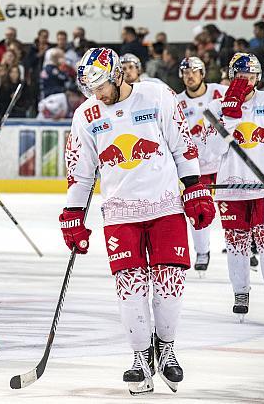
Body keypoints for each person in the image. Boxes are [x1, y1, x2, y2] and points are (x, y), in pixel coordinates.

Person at [61, 48, 214, 395]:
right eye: (90, 89)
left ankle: (166, 347)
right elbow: (80, 172)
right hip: (119, 213)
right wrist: (73, 215)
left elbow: (183, 146)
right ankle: (140, 355)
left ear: (117, 75)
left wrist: (195, 188)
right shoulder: (86, 115)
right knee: (129, 289)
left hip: (165, 208)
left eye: (100, 86)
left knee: (170, 285)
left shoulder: (157, 95)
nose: (96, 96)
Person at [205, 53, 264, 319]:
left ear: (258, 77)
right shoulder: (216, 107)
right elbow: (210, 152)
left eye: (251, 76)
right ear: (232, 77)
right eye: (241, 76)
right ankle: (240, 290)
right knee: (236, 243)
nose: (246, 81)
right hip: (231, 188)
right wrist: (230, 115)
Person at [176, 56, 227, 272]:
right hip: (196, 168)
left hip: (224, 163)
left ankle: (242, 246)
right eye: (186, 72)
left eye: (194, 71)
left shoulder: (219, 92)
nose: (190, 75)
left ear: (203, 73)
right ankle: (202, 251)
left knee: (232, 209)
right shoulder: (177, 102)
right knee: (198, 212)